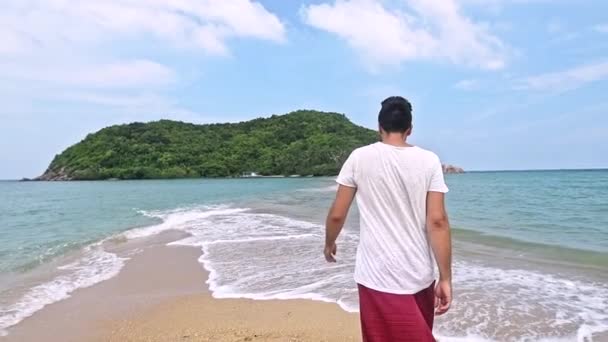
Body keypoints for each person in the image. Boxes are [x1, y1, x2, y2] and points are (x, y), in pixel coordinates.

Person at [324, 96, 452, 341]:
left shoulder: (359, 157)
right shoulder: (429, 161)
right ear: (410, 129)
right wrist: (446, 278)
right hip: (419, 274)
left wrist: (329, 244)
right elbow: (437, 222)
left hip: (376, 274)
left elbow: (337, 214)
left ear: (379, 127)